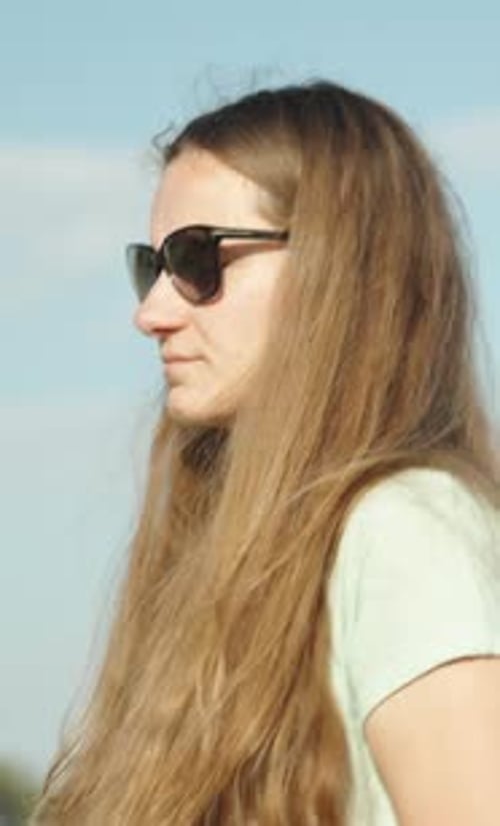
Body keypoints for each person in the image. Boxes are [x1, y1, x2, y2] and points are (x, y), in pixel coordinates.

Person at [31, 80, 500, 825]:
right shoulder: (240, 553)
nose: (151, 312)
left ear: (342, 269)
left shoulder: (407, 530)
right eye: (151, 267)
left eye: (197, 259)